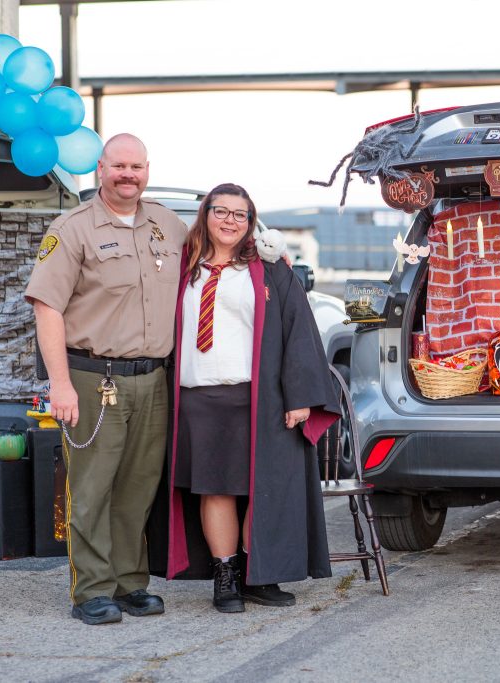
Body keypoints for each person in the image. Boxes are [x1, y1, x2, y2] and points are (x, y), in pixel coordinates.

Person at [25, 133, 188, 625]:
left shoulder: (167, 223)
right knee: (93, 488)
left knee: (139, 487)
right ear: (101, 169)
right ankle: (92, 589)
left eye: (136, 167)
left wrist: (270, 256)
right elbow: (46, 306)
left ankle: (130, 582)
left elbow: (216, 257)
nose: (128, 175)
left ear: (147, 170)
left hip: (153, 379)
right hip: (94, 378)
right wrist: (60, 383)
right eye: (118, 166)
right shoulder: (71, 228)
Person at [163, 183, 339, 612]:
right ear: (205, 216)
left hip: (257, 399)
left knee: (263, 489)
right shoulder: (180, 268)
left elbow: (298, 331)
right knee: (215, 490)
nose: (229, 221)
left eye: (240, 215)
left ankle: (255, 574)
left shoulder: (268, 269)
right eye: (221, 211)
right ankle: (224, 577)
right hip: (198, 400)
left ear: (251, 222)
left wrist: (300, 397)